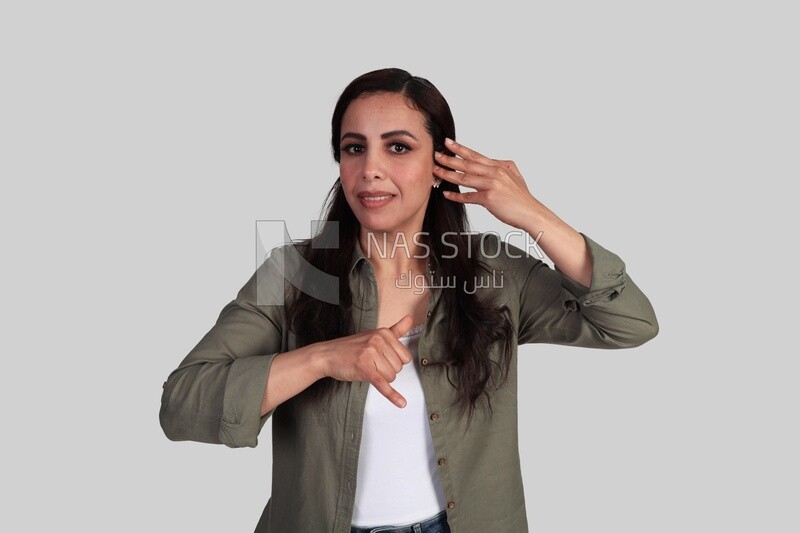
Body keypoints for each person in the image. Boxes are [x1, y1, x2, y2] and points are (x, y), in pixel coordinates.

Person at [159, 67, 659, 533]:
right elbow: (181, 403)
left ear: (440, 164)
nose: (370, 169)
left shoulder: (496, 273)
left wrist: (533, 215)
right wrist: (322, 358)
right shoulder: (294, 274)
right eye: (354, 149)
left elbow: (629, 322)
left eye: (397, 148)